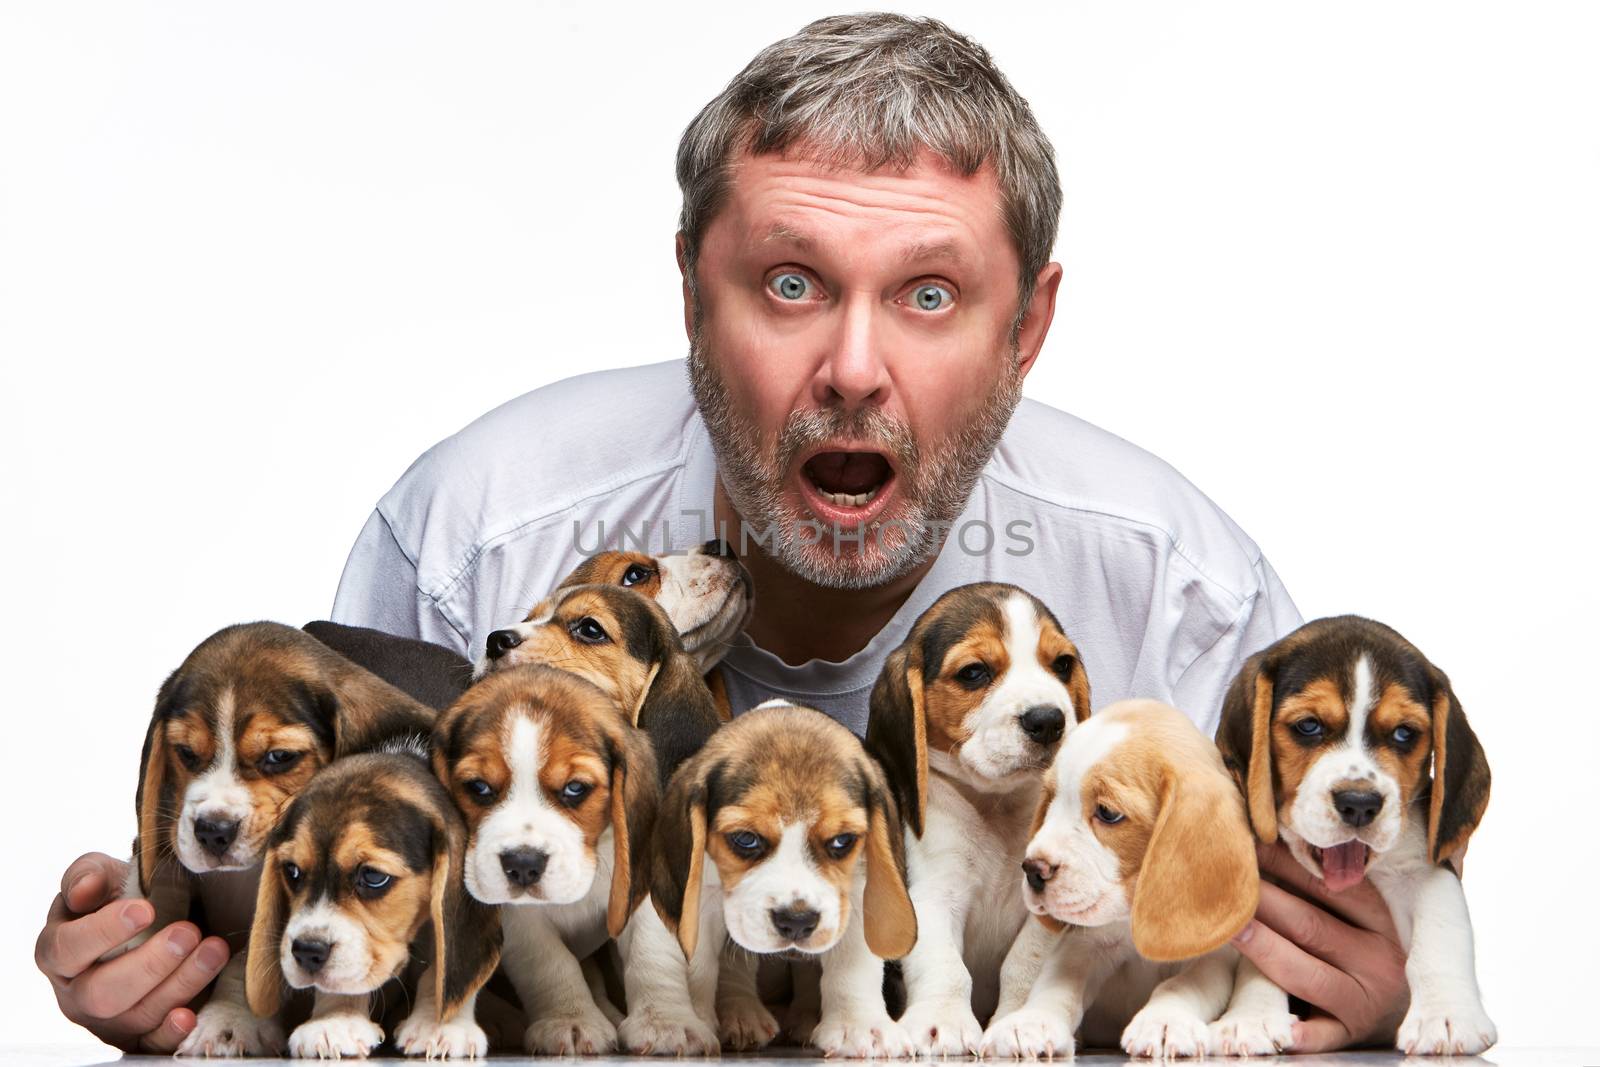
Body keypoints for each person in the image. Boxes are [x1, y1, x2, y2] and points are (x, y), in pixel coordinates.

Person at [36, 13, 1409, 1053]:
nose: (856, 367)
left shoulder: (1183, 595)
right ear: (696, 296)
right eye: (792, 282)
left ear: (1029, 326)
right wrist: (199, 979)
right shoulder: (479, 539)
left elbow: (1294, 960)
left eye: (930, 295)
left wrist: (1362, 999)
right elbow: (347, 939)